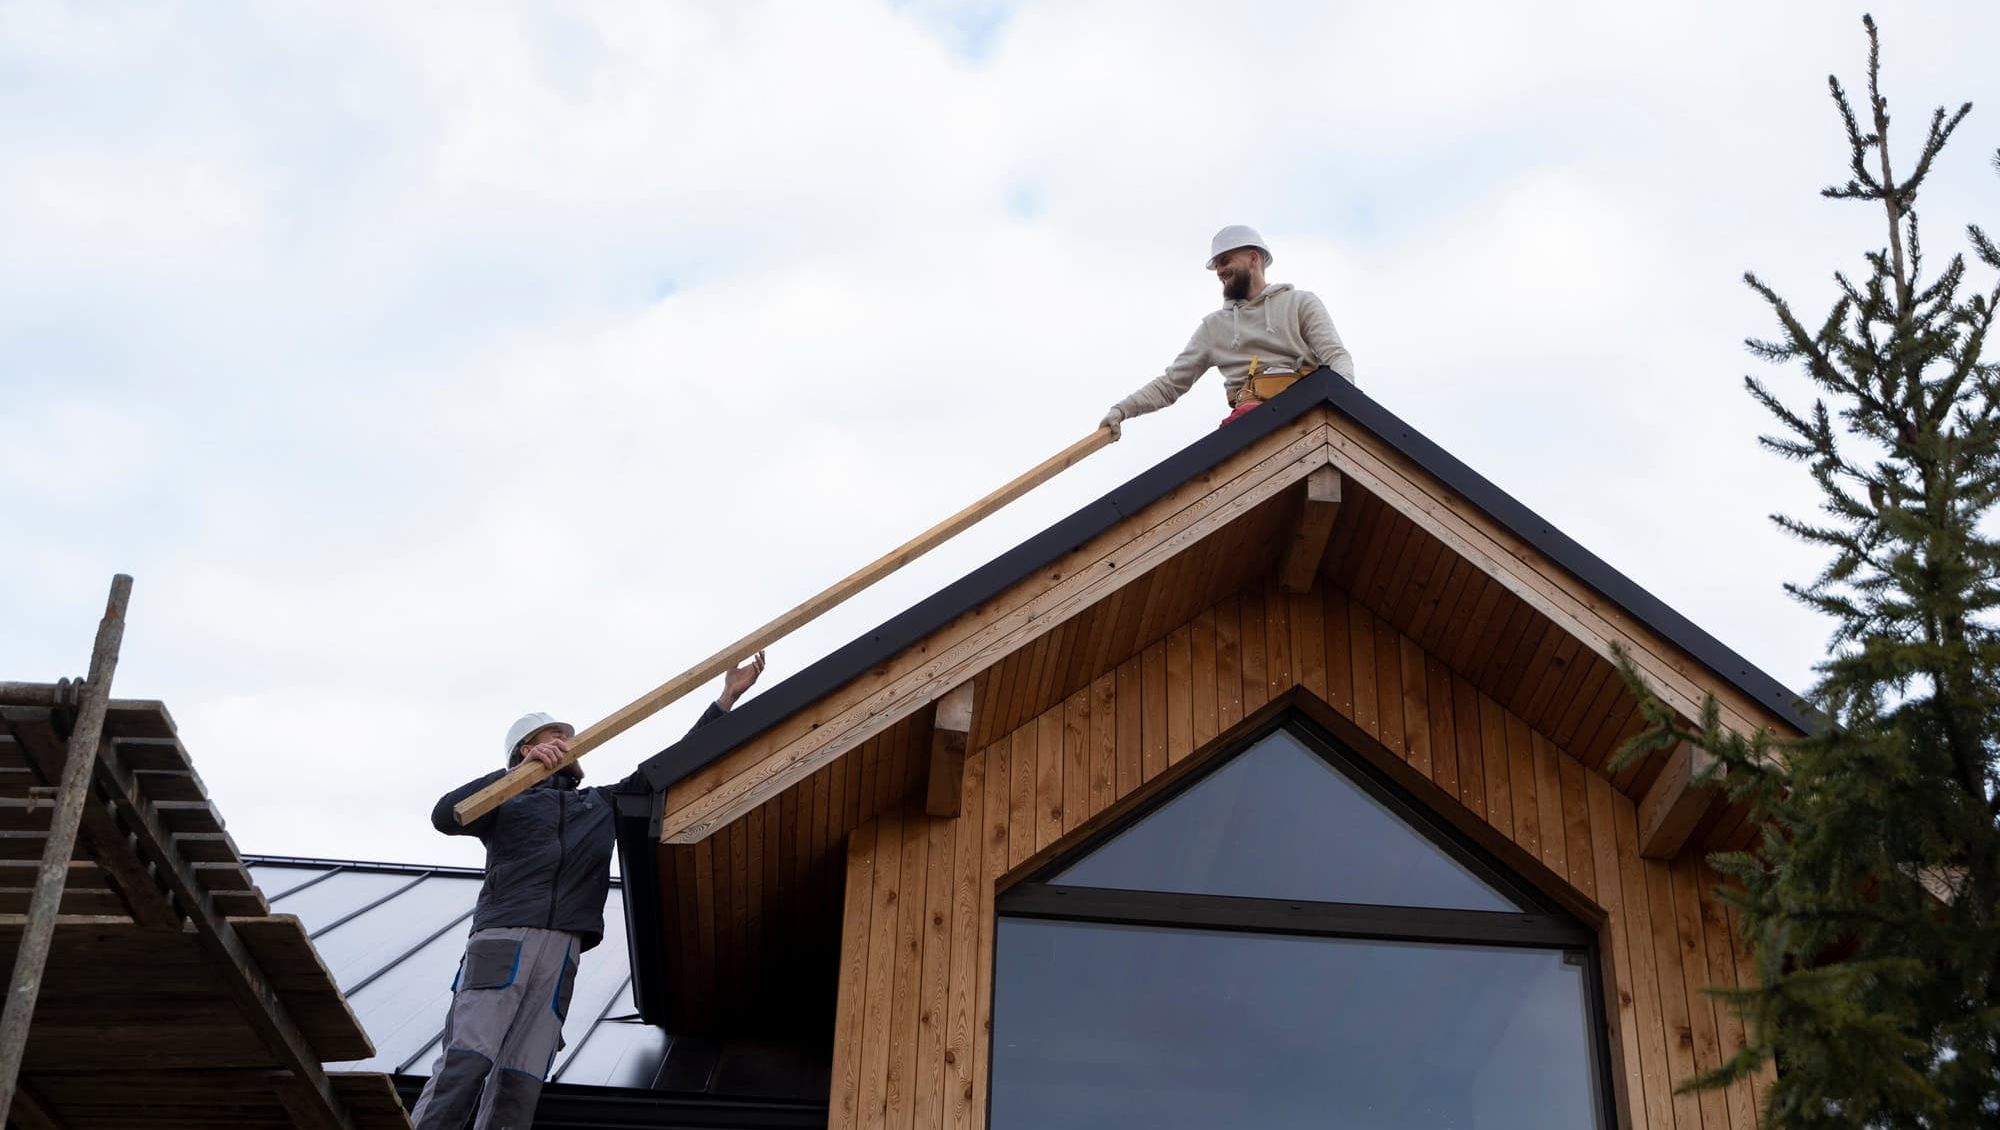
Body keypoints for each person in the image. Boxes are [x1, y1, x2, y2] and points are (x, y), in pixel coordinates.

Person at [409, 652, 768, 1128]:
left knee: (519, 1082)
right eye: (552, 738)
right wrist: (514, 779)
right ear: (524, 750)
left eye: (569, 739)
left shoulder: (598, 804)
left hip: (563, 952)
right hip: (504, 941)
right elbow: (444, 814)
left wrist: (724, 701)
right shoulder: (503, 806)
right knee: (466, 1063)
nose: (566, 744)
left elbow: (671, 767)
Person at [1099, 224, 1356, 434]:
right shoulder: (1214, 328)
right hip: (1248, 425)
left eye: (1225, 261)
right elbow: (1170, 384)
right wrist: (1122, 410)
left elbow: (1336, 356)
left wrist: (1344, 407)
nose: (1220, 271)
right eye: (1217, 266)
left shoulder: (1300, 303)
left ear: (1253, 258)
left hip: (1305, 413)